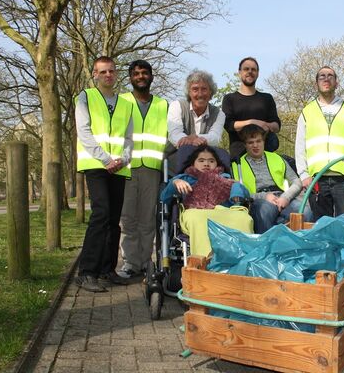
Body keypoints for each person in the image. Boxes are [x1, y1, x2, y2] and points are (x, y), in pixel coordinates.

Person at [75, 56, 134, 292]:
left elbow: (129, 138)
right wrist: (105, 159)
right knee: (100, 215)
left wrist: (123, 158)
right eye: (103, 72)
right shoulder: (85, 97)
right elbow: (84, 131)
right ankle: (86, 271)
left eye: (111, 71)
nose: (108, 75)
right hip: (96, 165)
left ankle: (107, 270)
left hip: (118, 167)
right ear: (95, 74)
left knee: (113, 219)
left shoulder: (125, 104)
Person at [117, 60, 168, 279]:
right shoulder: (121, 101)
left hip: (152, 168)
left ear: (151, 76)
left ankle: (146, 262)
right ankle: (130, 263)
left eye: (144, 73)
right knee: (128, 219)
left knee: (148, 220)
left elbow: (171, 136)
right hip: (126, 168)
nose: (140, 76)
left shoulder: (163, 105)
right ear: (130, 77)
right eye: (136, 73)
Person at [295, 66, 344, 220]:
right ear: (316, 84)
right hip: (316, 179)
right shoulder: (307, 112)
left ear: (336, 83)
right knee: (321, 227)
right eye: (322, 76)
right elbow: (300, 146)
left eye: (330, 76)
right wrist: (304, 174)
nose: (326, 79)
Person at [160, 145, 253, 257]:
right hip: (196, 211)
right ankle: (205, 261)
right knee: (198, 221)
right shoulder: (185, 178)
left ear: (217, 164)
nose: (206, 164)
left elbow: (244, 192)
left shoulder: (225, 179)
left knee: (244, 218)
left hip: (224, 211)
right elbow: (164, 198)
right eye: (201, 160)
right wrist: (174, 183)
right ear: (193, 163)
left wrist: (236, 190)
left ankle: (243, 259)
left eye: (211, 161)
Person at [232, 124, 312, 233]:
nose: (255, 145)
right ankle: (269, 246)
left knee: (305, 211)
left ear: (263, 141)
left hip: (282, 197)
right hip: (258, 200)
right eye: (251, 142)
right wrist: (265, 196)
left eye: (258, 141)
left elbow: (296, 181)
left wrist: (286, 197)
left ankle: (295, 244)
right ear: (245, 145)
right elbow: (241, 194)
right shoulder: (237, 165)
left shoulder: (277, 158)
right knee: (263, 211)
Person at [222, 57, 281, 160]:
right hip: (239, 157)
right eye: (246, 69)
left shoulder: (267, 98)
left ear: (258, 73)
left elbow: (276, 125)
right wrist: (252, 122)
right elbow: (228, 124)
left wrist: (266, 125)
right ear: (239, 72)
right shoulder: (229, 99)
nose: (250, 72)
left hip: (266, 156)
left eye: (253, 69)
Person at [167, 69, 225, 148]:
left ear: (210, 92)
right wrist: (187, 140)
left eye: (204, 89)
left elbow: (215, 137)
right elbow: (174, 133)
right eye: (195, 89)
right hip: (178, 154)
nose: (200, 94)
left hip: (204, 156)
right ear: (189, 92)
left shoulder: (219, 113)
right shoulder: (177, 106)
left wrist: (196, 137)